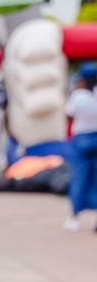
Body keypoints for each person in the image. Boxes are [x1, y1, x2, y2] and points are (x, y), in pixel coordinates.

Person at [65, 63, 97, 230]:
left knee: (79, 178)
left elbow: (69, 116)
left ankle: (74, 218)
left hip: (81, 138)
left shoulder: (78, 96)